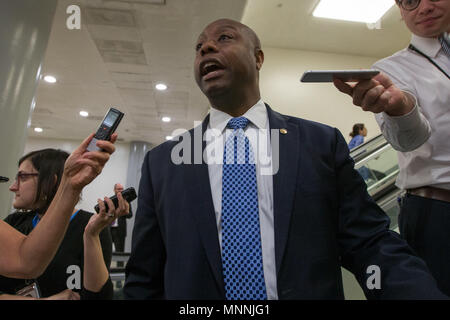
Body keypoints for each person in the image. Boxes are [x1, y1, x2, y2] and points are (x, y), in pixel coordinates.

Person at [124, 18, 447, 300]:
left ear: (258, 57)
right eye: (199, 47)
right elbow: (145, 275)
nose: (206, 47)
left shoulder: (319, 143)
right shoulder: (163, 163)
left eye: (224, 38)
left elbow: (368, 242)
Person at [334, 0, 450, 295]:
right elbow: (409, 139)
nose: (423, 7)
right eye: (409, 1)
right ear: (400, 9)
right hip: (438, 212)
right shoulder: (391, 69)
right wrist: (401, 109)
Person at [0, 147, 128, 300]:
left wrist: (91, 235)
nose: (13, 187)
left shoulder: (89, 225)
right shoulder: (14, 223)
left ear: (51, 181)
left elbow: (97, 296)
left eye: (23, 177)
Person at [110, 183, 133, 264]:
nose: (120, 190)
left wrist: (122, 213)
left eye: (121, 189)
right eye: (118, 189)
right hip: (110, 229)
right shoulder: (110, 201)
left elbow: (130, 215)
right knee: (106, 250)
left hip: (120, 231)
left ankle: (119, 270)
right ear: (114, 190)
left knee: (120, 252)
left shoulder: (126, 201)